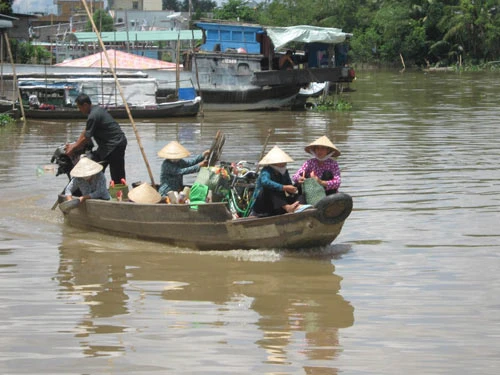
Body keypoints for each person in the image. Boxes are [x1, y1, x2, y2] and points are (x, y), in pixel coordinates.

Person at [65, 93, 127, 185]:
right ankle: (96, 189)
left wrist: (73, 148)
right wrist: (74, 145)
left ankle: (120, 194)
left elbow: (86, 137)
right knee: (95, 166)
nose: (80, 110)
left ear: (85, 105)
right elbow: (86, 131)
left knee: (116, 174)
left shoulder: (93, 115)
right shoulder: (96, 110)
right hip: (108, 146)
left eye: (80, 107)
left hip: (115, 145)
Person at [250, 145, 309, 217]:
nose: (283, 164)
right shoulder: (266, 171)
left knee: (301, 190)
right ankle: (288, 208)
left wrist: (296, 185)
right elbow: (265, 182)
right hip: (263, 206)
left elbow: (289, 187)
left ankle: (299, 207)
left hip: (278, 204)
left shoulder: (284, 172)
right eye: (280, 162)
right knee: (270, 188)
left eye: (284, 162)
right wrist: (284, 187)